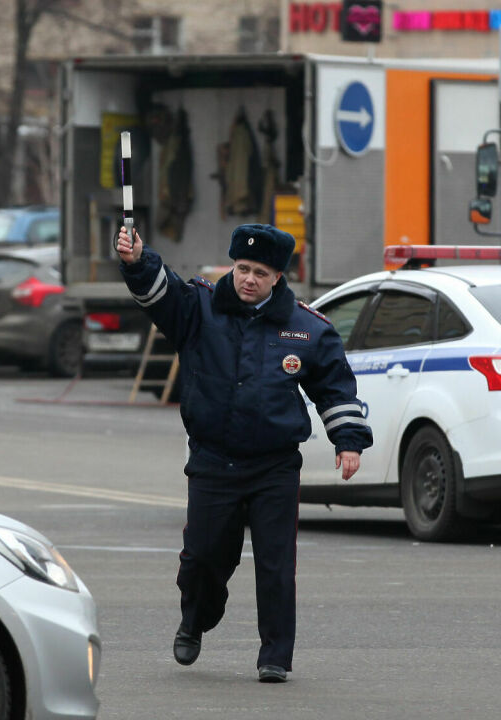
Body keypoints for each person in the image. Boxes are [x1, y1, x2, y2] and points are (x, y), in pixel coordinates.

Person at [116, 222, 372, 684]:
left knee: (277, 564)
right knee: (203, 558)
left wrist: (348, 441)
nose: (248, 278)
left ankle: (275, 655)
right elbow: (160, 293)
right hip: (214, 462)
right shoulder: (199, 308)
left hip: (274, 465)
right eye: (242, 268)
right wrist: (138, 261)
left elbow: (334, 386)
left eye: (260, 272)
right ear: (232, 267)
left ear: (278, 277)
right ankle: (195, 621)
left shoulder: (306, 328)